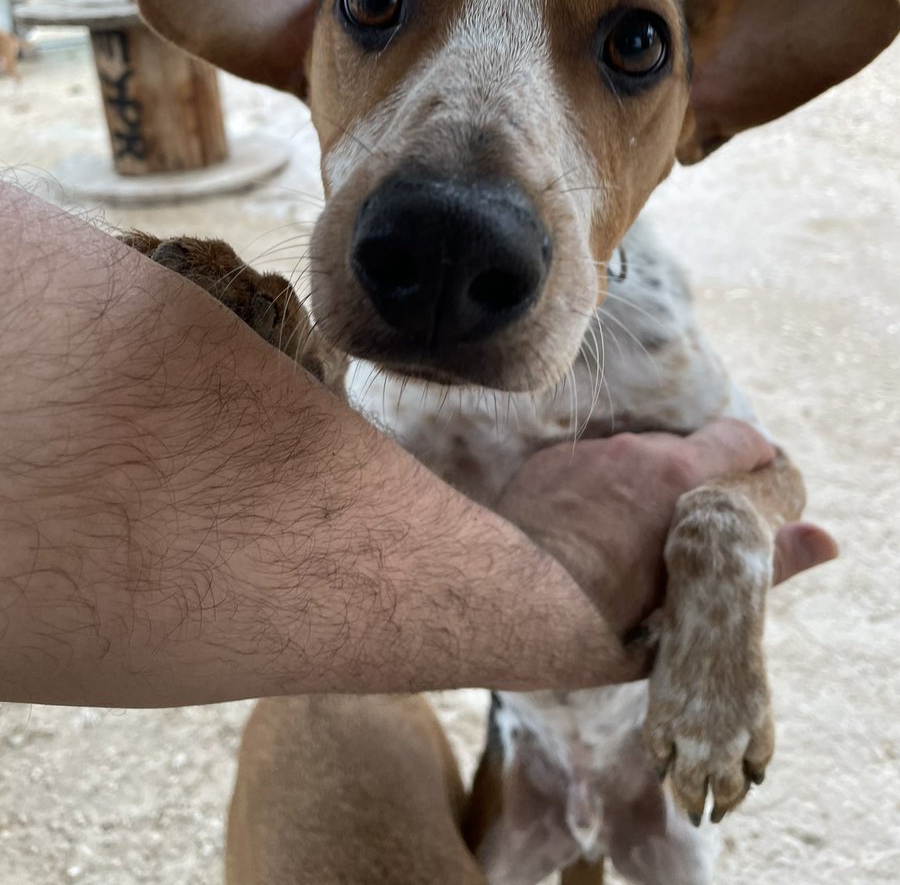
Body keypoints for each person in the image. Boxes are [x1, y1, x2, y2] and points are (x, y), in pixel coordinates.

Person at [0, 183, 835, 709]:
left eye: (633, 46)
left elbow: (765, 468)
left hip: (646, 759)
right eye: (373, 2)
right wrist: (290, 395)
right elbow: (372, 528)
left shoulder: (654, 335)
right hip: (531, 749)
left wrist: (718, 557)